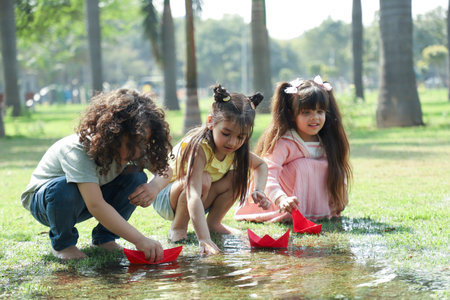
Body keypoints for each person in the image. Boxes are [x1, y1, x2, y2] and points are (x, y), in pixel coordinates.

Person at [21, 89, 173, 261]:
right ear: (113, 134)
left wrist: (154, 186)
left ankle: (104, 239)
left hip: (85, 200)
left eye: (144, 142)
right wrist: (140, 240)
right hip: (47, 203)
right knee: (64, 188)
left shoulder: (135, 149)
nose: (139, 149)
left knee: (136, 177)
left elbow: (166, 170)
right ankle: (64, 245)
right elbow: (96, 205)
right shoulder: (79, 148)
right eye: (133, 142)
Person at [152, 84, 271, 255]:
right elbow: (193, 193)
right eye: (226, 133)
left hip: (200, 196)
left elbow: (261, 165)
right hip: (166, 196)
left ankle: (213, 223)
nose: (232, 142)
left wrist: (259, 189)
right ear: (210, 122)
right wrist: (204, 240)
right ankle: (178, 228)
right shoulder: (199, 147)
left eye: (240, 137)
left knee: (237, 175)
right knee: (204, 179)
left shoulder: (237, 149)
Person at [235, 76, 352, 222]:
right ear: (292, 114)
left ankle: (316, 211)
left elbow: (338, 170)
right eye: (306, 112)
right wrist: (281, 199)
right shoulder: (285, 143)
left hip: (315, 208)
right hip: (281, 203)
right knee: (302, 166)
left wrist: (341, 195)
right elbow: (268, 172)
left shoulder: (327, 142)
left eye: (320, 111)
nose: (314, 117)